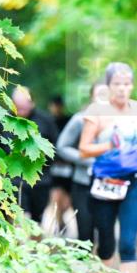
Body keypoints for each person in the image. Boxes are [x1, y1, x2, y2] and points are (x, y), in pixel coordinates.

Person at [79, 63, 137, 273]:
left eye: (127, 84)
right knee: (107, 245)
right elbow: (84, 149)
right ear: (109, 86)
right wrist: (108, 145)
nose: (122, 89)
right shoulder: (96, 112)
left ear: (132, 85)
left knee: (128, 244)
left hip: (134, 181)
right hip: (104, 182)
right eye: (117, 84)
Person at [57, 81, 106, 244]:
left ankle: (102, 268)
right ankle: (84, 267)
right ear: (92, 97)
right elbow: (62, 146)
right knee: (85, 232)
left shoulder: (118, 121)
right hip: (83, 184)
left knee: (106, 234)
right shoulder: (80, 119)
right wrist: (87, 159)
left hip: (110, 184)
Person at [10, 86, 59, 223]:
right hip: (13, 179)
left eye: (23, 107)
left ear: (32, 103)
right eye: (17, 107)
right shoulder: (3, 120)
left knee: (37, 221)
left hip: (40, 180)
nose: (20, 111)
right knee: (18, 219)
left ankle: (34, 243)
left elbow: (55, 149)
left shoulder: (46, 121)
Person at [47, 95, 74, 234]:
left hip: (68, 165)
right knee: (56, 196)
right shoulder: (47, 121)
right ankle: (59, 222)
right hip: (54, 165)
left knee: (67, 201)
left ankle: (62, 219)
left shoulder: (68, 121)